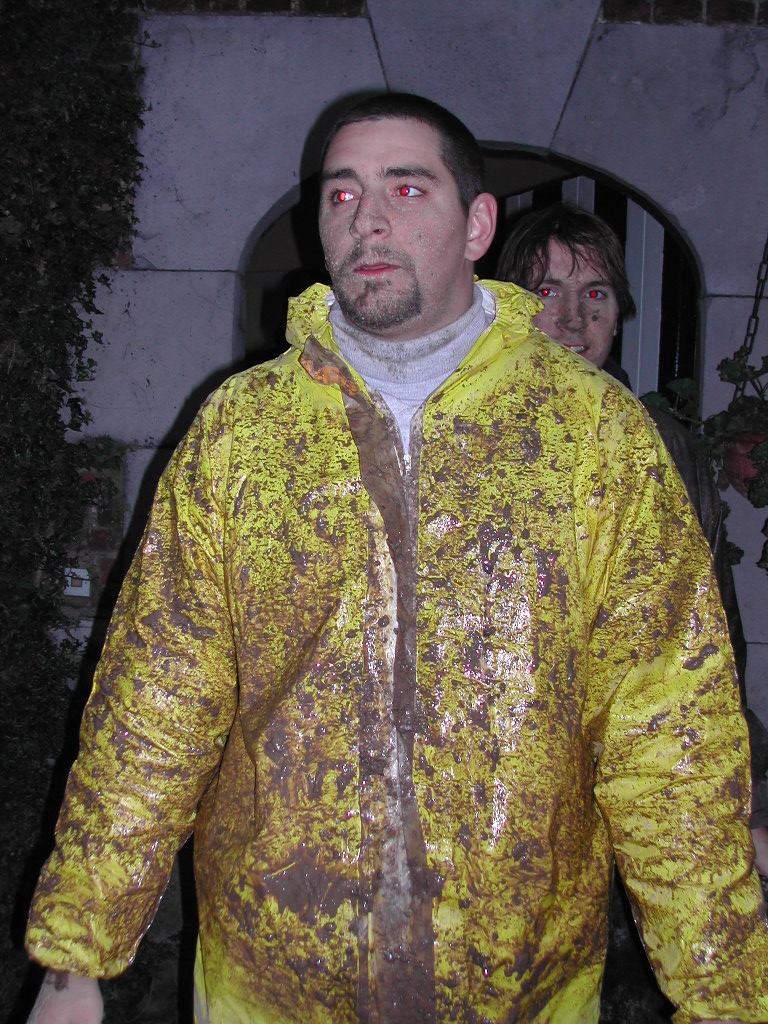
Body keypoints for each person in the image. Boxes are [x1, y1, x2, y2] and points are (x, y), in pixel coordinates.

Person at [24, 95, 768, 1024]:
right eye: (342, 194)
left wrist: (721, 993)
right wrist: (75, 963)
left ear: (477, 225)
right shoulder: (242, 432)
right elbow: (155, 704)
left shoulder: (593, 437)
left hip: (523, 992)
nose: (367, 217)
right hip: (270, 987)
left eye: (406, 188)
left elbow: (670, 735)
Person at [496, 201, 768, 871]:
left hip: (640, 750)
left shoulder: (660, 441)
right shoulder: (471, 435)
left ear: (619, 312)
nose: (572, 321)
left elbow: (713, 617)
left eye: (595, 294)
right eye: (546, 292)